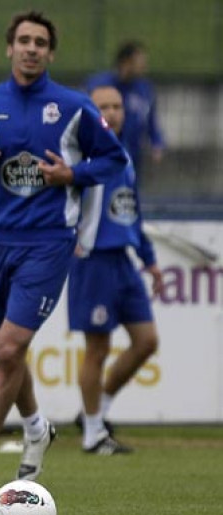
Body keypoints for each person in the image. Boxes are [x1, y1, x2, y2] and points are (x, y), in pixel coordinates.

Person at [0, 11, 128, 489]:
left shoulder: (73, 107)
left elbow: (113, 158)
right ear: (9, 48)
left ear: (50, 53)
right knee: (4, 353)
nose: (30, 48)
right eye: (23, 40)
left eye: (40, 42)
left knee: (8, 348)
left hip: (49, 242)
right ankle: (38, 427)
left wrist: (72, 175)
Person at [69, 85, 162, 455]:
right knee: (98, 348)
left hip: (123, 258)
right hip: (93, 260)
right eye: (103, 106)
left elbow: (131, 210)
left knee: (146, 341)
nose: (113, 112)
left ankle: (96, 412)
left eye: (117, 106)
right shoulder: (82, 154)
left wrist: (149, 258)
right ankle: (93, 434)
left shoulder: (122, 153)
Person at [85, 41, 165, 185]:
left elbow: (151, 120)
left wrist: (156, 142)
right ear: (126, 62)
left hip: (134, 153)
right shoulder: (100, 85)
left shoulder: (145, 90)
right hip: (103, 152)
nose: (144, 66)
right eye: (140, 61)